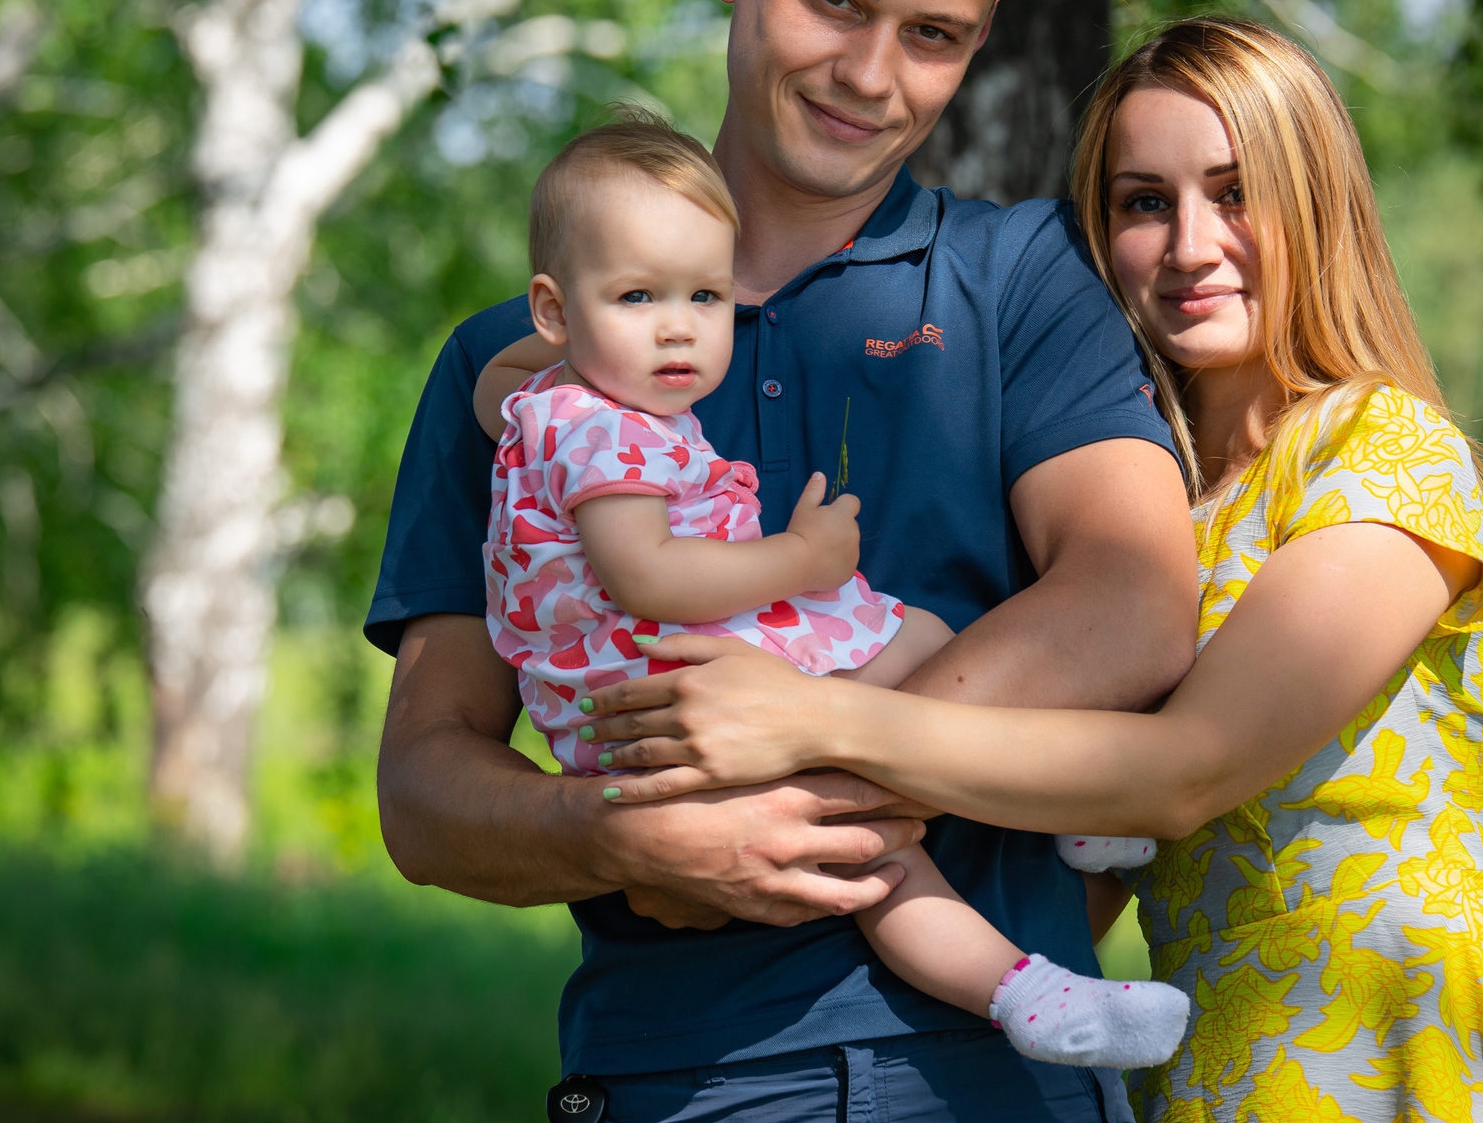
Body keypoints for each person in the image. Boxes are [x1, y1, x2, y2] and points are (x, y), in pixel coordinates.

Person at [582, 17, 1483, 1123]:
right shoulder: (1175, 507)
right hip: (1214, 1075)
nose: (1192, 245)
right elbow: (1088, 868)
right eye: (1144, 203)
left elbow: (1180, 773)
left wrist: (815, 722)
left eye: (1237, 191)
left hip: (1391, 1057)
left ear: (1317, 200)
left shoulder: (1388, 453)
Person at [368, 0, 1196, 1123]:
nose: (874, 76)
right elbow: (424, 786)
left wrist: (830, 745)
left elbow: (1137, 598)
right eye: (834, 0)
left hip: (1014, 1103)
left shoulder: (1022, 279)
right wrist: (618, 834)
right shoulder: (525, 370)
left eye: (935, 35)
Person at [474, 112, 1190, 1070]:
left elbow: (500, 393)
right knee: (873, 850)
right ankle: (1021, 988)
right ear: (555, 311)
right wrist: (802, 560)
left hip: (674, 666)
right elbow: (644, 571)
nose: (680, 327)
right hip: (675, 677)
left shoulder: (552, 399)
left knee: (925, 644)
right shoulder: (606, 431)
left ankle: (1061, 809)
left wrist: (561, 349)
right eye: (638, 296)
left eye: (706, 295)